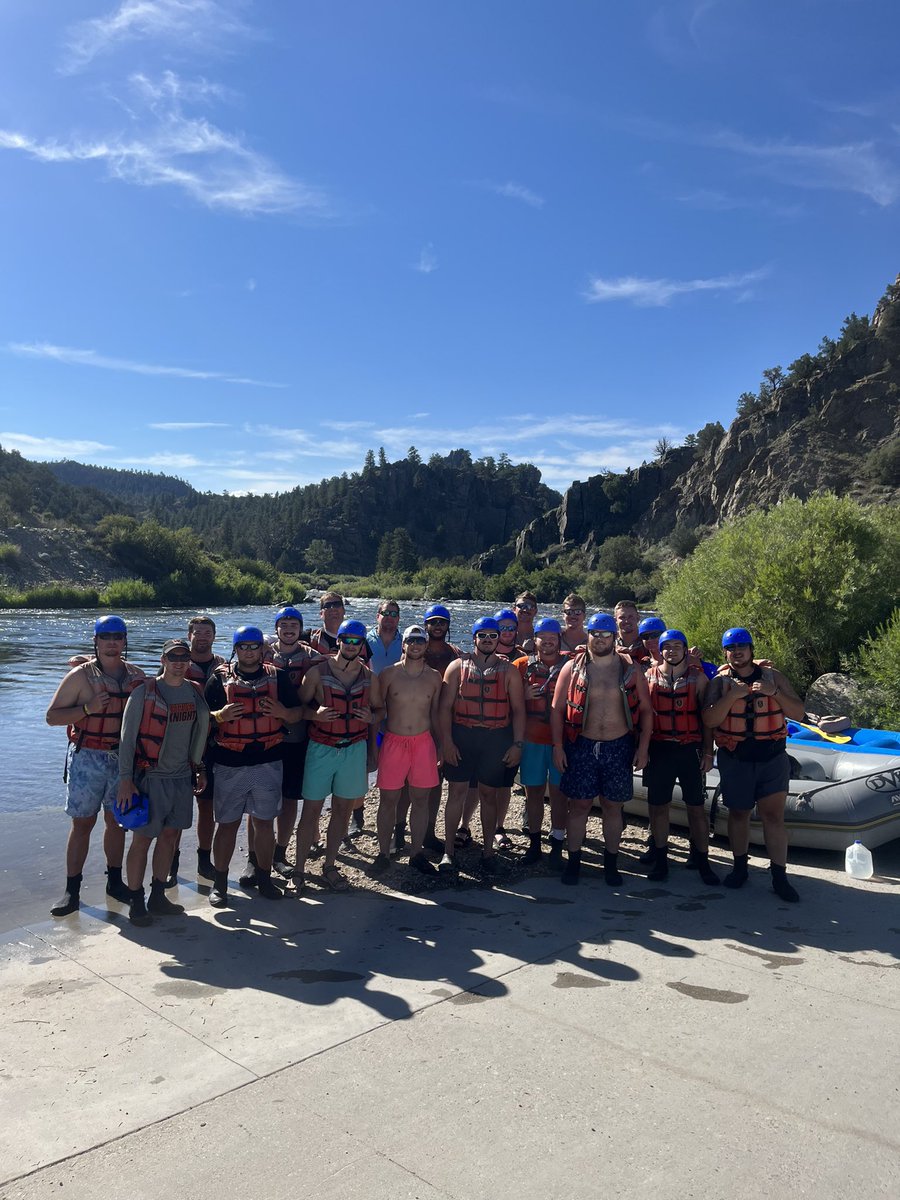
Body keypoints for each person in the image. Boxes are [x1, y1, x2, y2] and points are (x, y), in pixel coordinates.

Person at [45, 615, 146, 916]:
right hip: (88, 757)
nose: (112, 642)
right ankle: (71, 891)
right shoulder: (80, 677)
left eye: (117, 637)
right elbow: (52, 717)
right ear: (96, 641)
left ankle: (115, 883)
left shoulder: (137, 676)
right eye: (106, 637)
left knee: (117, 822)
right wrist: (88, 708)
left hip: (123, 760)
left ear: (125, 641)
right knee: (82, 823)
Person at [702, 626, 805, 902]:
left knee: (774, 817)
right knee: (739, 814)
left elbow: (798, 712)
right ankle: (739, 868)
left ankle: (779, 876)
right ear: (725, 653)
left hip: (771, 757)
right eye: (731, 649)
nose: (737, 653)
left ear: (751, 650)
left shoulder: (774, 677)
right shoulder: (720, 682)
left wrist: (775, 694)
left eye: (742, 647)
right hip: (736, 758)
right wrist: (731, 697)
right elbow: (710, 720)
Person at [204, 626, 304, 907]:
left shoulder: (278, 678)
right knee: (226, 825)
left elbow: (297, 714)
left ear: (262, 649)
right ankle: (220, 883)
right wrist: (218, 716)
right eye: (243, 646)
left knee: (264, 823)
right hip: (229, 763)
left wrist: (283, 713)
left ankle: (263, 877)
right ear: (235, 649)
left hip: (268, 761)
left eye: (253, 646)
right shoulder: (218, 680)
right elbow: (202, 720)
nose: (248, 651)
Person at [551, 613, 651, 886]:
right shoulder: (572, 668)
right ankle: (573, 862)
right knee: (579, 805)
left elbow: (645, 710)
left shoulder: (630, 669)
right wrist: (558, 747)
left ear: (614, 638)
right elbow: (558, 710)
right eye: (595, 633)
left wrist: (643, 748)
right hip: (581, 744)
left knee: (613, 806)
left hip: (619, 746)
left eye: (606, 634)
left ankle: (611, 863)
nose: (600, 639)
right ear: (588, 635)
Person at [116, 639, 210, 925]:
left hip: (182, 778)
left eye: (184, 657)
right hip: (150, 778)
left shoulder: (193, 692)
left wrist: (200, 768)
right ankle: (135, 899)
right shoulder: (144, 693)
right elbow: (126, 739)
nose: (179, 662)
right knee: (142, 840)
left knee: (170, 837)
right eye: (173, 657)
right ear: (163, 660)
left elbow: (198, 734)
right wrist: (125, 780)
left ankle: (158, 895)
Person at [294, 621, 384, 892]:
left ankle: (330, 866)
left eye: (356, 641)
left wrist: (372, 718)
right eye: (346, 640)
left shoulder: (370, 678)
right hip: (321, 747)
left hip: (353, 748)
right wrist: (315, 714)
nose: (351, 645)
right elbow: (298, 708)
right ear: (339, 641)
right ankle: (298, 870)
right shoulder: (316, 673)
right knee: (311, 810)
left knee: (343, 810)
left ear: (362, 646)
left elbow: (380, 711)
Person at [438, 617, 526, 876]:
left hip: (495, 738)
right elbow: (444, 709)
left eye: (492, 636)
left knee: (489, 795)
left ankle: (488, 852)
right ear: (474, 638)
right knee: (456, 793)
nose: (488, 640)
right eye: (482, 635)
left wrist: (517, 744)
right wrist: (447, 742)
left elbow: (519, 711)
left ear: (499, 639)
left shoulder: (508, 671)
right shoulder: (456, 667)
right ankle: (448, 852)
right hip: (463, 736)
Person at [643, 630, 717, 884]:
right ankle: (661, 861)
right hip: (660, 750)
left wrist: (708, 752)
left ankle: (703, 861)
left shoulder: (698, 679)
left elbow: (707, 721)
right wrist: (641, 750)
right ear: (660, 650)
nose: (672, 650)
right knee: (658, 807)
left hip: (690, 750)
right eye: (667, 647)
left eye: (677, 646)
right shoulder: (648, 677)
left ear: (686, 650)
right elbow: (642, 718)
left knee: (696, 809)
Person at [373, 626, 442, 876]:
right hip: (393, 741)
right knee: (388, 800)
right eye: (411, 640)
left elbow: (436, 714)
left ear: (426, 645)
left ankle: (416, 853)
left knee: (420, 800)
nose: (415, 645)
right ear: (403, 644)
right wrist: (374, 747)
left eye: (420, 641)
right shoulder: (388, 674)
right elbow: (378, 711)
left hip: (423, 743)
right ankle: (383, 852)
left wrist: (441, 746)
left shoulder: (434, 677)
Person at [268, 606, 324, 878]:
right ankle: (256, 857)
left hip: (298, 736)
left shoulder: (313, 657)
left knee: (290, 797)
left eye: (294, 624)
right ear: (277, 627)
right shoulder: (262, 651)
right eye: (284, 624)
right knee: (263, 798)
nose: (289, 628)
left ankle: (280, 852)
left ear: (300, 628)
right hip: (265, 736)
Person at [513, 618, 569, 865]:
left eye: (552, 638)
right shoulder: (521, 666)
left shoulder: (572, 665)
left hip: (561, 743)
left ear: (559, 640)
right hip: (531, 741)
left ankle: (557, 843)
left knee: (559, 795)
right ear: (533, 640)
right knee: (533, 793)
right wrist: (521, 694)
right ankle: (534, 845)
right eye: (542, 638)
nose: (547, 642)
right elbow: (505, 699)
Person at [178, 614, 225, 883]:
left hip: (214, 745)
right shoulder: (177, 664)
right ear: (190, 636)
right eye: (198, 632)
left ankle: (203, 860)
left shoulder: (224, 666)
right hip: (182, 745)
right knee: (178, 805)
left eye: (207, 632)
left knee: (206, 806)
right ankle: (171, 865)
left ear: (214, 637)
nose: (203, 637)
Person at [491, 607, 527, 849]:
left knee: (504, 783)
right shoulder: (478, 652)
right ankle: (465, 826)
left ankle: (498, 828)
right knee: (474, 785)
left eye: (510, 628)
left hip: (508, 728)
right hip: (481, 729)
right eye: (501, 627)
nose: (506, 632)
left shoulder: (524, 658)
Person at [366, 599, 403, 674]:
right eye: (385, 613)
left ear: (398, 618)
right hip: (370, 685)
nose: (389, 617)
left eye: (393, 614)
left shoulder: (405, 644)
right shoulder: (365, 641)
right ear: (377, 616)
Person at [614, 600, 650, 666]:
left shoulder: (649, 642)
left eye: (630, 617)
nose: (627, 621)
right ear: (615, 620)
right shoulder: (610, 644)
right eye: (622, 617)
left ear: (638, 618)